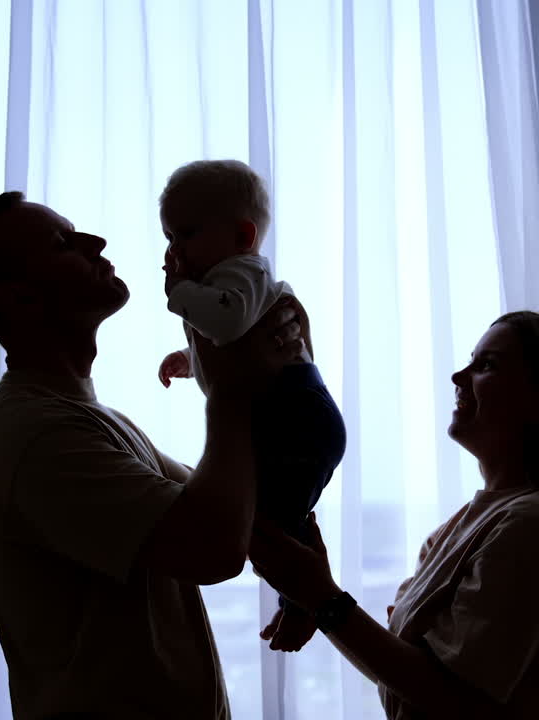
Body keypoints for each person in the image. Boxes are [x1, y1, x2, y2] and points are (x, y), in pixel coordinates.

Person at [0, 191, 309, 719]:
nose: (96, 241)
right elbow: (213, 547)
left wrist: (303, 570)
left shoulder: (89, 419)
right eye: (63, 243)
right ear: (20, 297)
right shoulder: (36, 435)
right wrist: (231, 383)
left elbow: (240, 510)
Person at [249, 311, 539, 719]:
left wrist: (320, 596)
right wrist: (316, 600)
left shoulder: (533, 524)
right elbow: (410, 675)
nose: (458, 377)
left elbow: (457, 697)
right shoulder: (467, 526)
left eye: (487, 365)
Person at [155, 159, 347, 652]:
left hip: (296, 414)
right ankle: (302, 599)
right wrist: (189, 358)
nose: (172, 252)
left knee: (265, 521)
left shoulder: (241, 272)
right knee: (270, 515)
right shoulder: (233, 280)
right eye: (168, 237)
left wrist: (179, 296)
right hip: (289, 415)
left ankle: (303, 600)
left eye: (184, 236)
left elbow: (228, 323)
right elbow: (232, 347)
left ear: (243, 235)